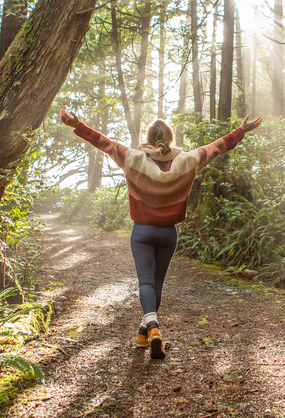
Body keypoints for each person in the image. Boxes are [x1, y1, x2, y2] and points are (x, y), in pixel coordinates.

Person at [60, 109, 262, 359]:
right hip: (169, 233)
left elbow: (104, 143)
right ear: (170, 138)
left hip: (142, 231)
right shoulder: (187, 160)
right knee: (156, 284)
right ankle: (144, 334)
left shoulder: (132, 158)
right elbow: (216, 147)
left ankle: (152, 328)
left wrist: (78, 125)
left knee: (145, 283)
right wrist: (241, 131)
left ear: (149, 137)